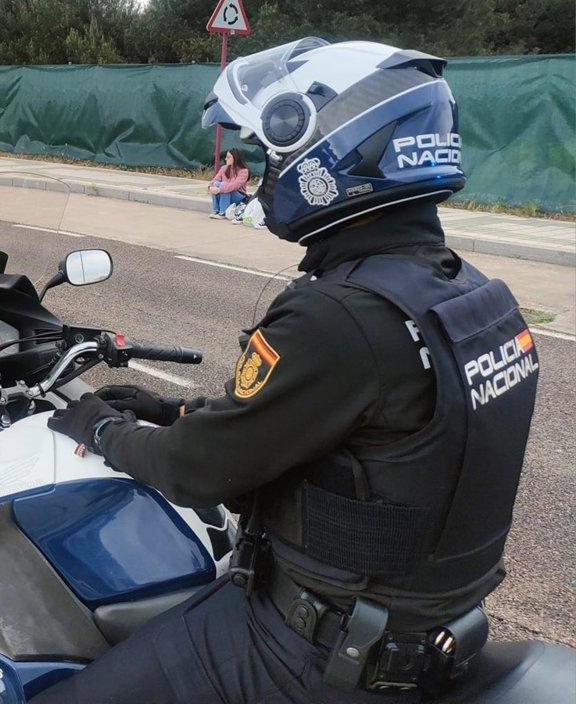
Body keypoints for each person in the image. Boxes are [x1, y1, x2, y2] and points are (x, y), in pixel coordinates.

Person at [42, 37, 539, 703]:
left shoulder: (339, 315)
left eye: (276, 156)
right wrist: (169, 409)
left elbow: (194, 471)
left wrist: (102, 427)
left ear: (341, 150)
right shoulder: (470, 298)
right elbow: (358, 445)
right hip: (425, 634)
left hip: (306, 655)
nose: (267, 175)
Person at [208, 148, 249, 218]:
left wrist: (220, 189)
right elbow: (215, 180)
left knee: (223, 186)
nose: (225, 159)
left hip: (239, 196)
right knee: (216, 184)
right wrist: (210, 187)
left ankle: (223, 212)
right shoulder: (224, 168)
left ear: (235, 158)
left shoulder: (244, 171)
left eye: (228, 157)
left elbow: (234, 186)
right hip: (225, 193)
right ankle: (216, 211)